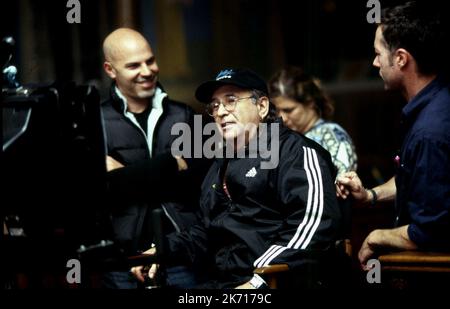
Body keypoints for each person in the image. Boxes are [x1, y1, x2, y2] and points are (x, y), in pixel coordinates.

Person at [132, 68, 345, 289]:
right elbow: (207, 232)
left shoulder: (294, 152)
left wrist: (258, 281)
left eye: (231, 101)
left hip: (275, 281)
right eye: (215, 106)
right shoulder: (220, 163)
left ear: (262, 106)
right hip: (223, 283)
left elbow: (313, 224)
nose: (221, 112)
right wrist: (161, 250)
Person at [335, 1, 450, 269]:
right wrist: (369, 195)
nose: (374, 63)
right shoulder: (432, 106)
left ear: (400, 58)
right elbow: (414, 178)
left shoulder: (430, 131)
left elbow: (430, 231)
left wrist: (377, 237)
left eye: (378, 54)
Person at [101, 28, 208, 288]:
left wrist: (124, 175)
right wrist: (171, 164)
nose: (147, 71)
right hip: (121, 261)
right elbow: (99, 192)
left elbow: (196, 181)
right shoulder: (95, 123)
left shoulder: (183, 115)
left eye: (150, 60)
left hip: (180, 257)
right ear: (110, 70)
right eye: (134, 65)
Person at [269, 66, 357, 176]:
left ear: (310, 103)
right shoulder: (279, 137)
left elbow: (343, 183)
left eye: (289, 110)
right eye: (276, 111)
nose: (282, 118)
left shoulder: (332, 134)